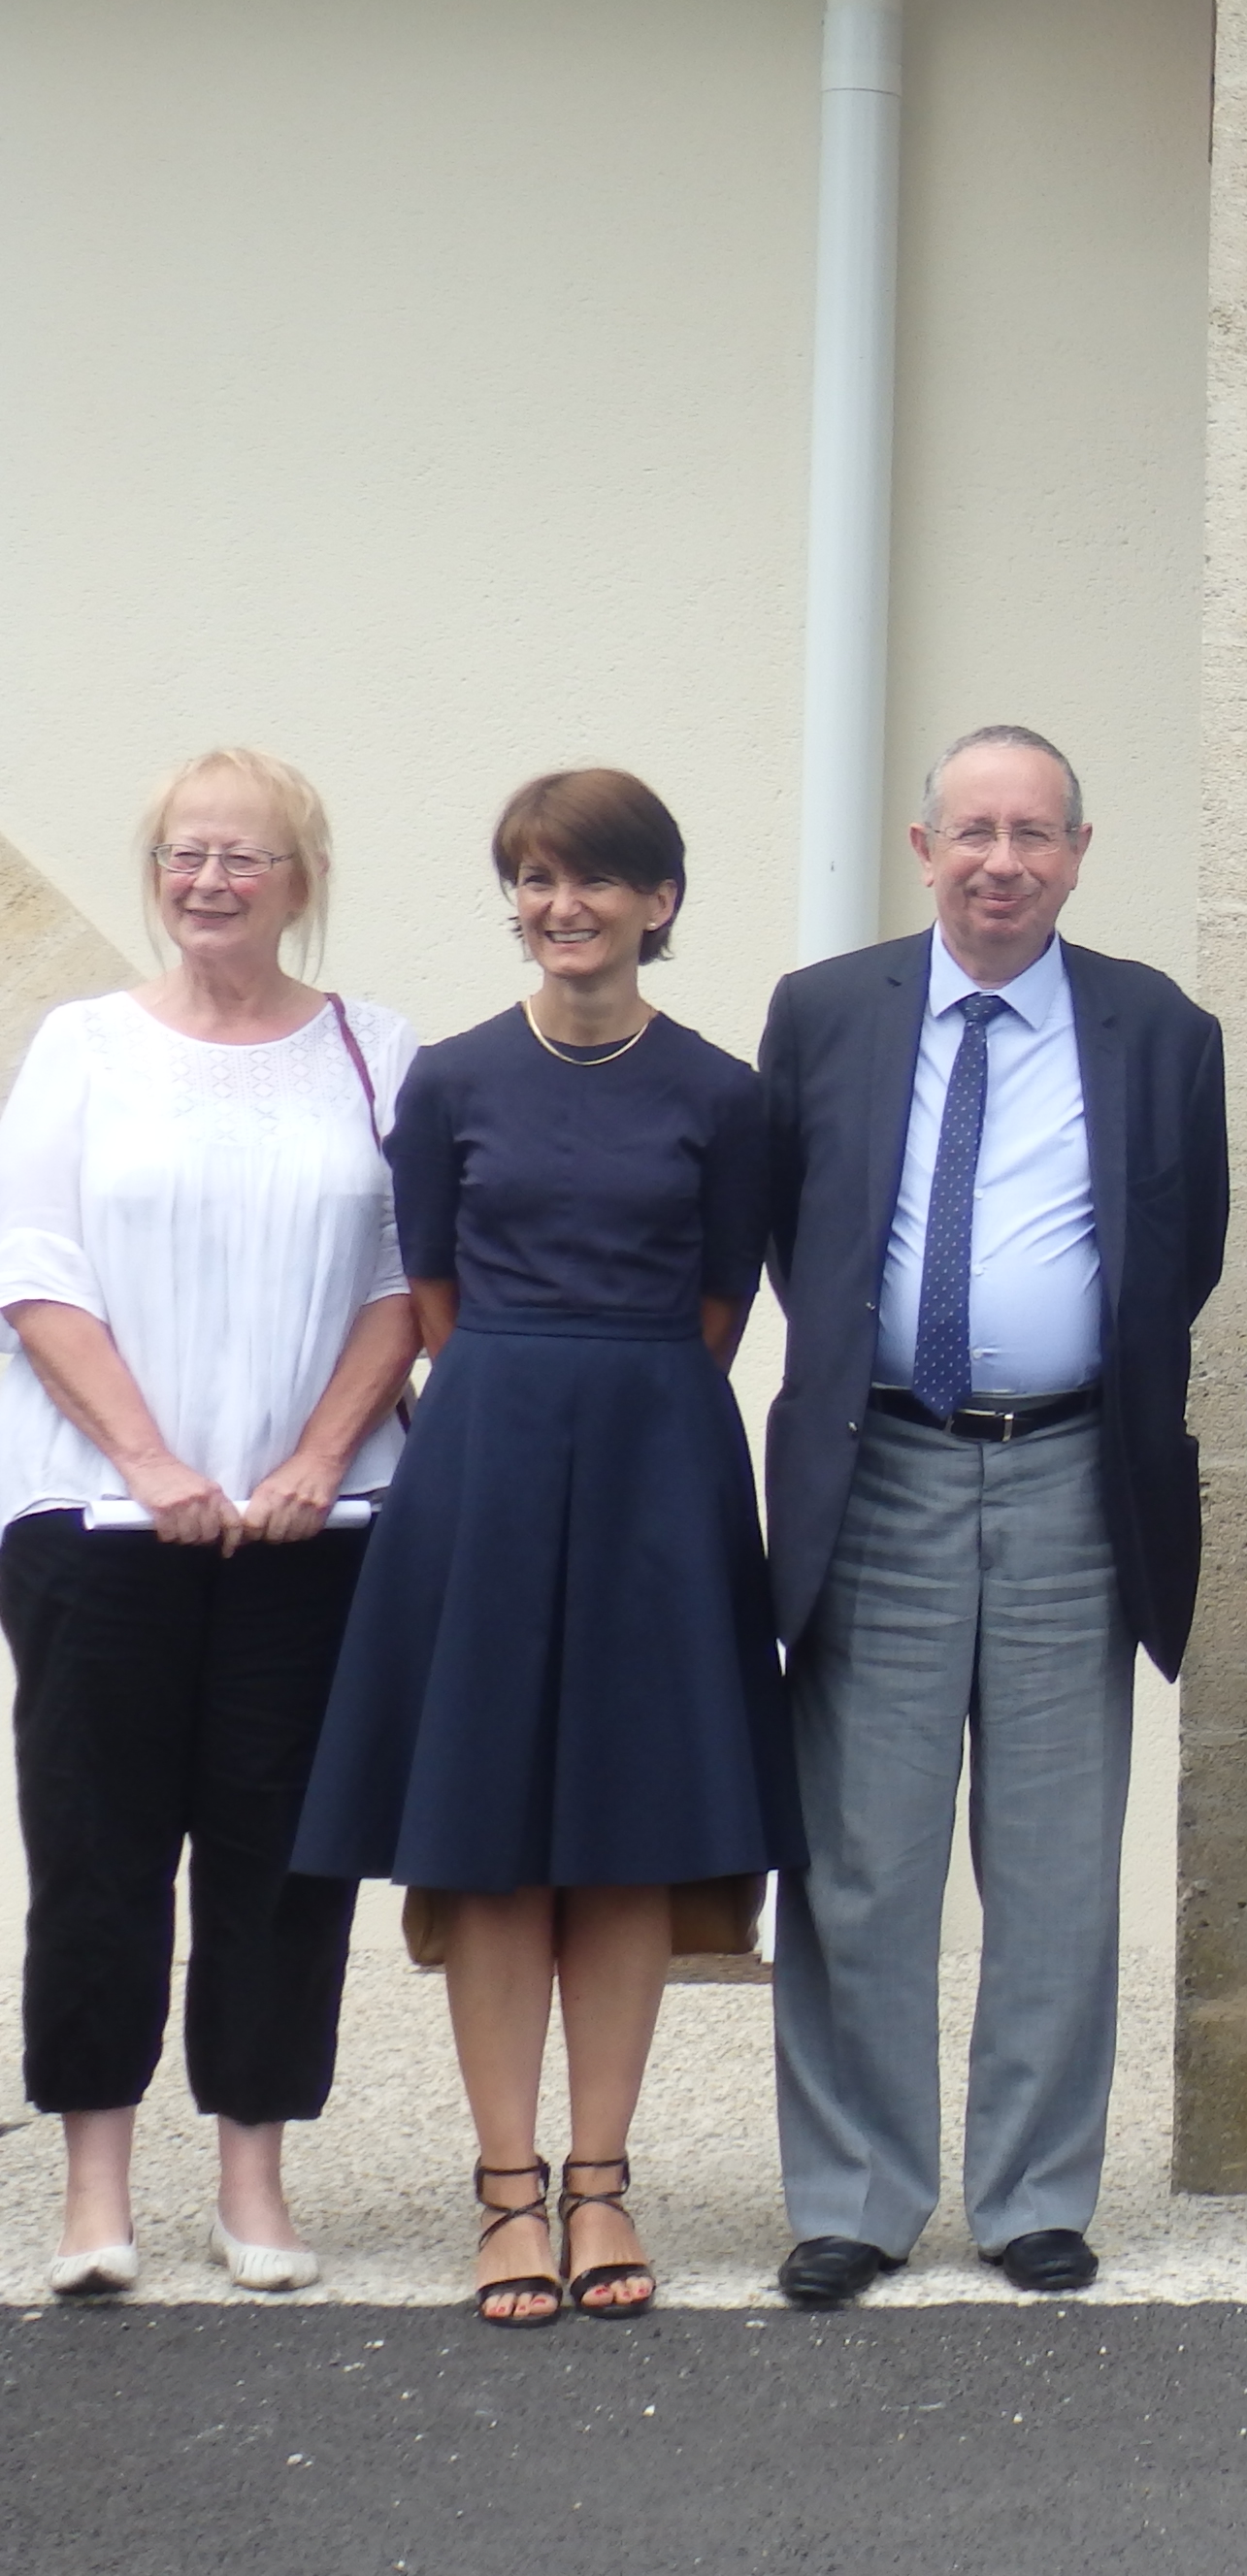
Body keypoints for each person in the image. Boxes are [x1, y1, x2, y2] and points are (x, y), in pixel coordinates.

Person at [296, 767, 795, 2324]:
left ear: (660, 902)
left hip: (659, 1452)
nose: (559, 906)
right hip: (488, 1451)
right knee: (494, 1835)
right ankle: (507, 2191)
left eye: (593, 880)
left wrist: (622, 1387)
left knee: (629, 1831)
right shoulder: (446, 1082)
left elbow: (725, 1303)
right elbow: (431, 1290)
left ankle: (602, 2180)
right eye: (532, 879)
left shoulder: (725, 1094)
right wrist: (523, 1388)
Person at [754, 726, 1230, 2307]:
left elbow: (1186, 1250)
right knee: (859, 1866)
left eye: (1034, 833)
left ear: (1080, 854)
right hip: (877, 1470)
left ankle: (1031, 2194)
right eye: (975, 831)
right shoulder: (825, 1014)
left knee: (1052, 1863)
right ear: (922, 844)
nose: (1002, 860)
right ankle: (858, 2193)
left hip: (1070, 1478)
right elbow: (792, 1238)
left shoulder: (1158, 1027)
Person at [0, 751, 418, 2299]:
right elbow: (36, 1273)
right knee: (98, 1854)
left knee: (277, 1860)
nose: (209, 880)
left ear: (300, 880)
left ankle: (254, 2181)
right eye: (184, 855)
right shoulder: (84, 1045)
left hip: (315, 1529)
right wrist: (152, 1460)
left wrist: (316, 1454)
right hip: (100, 1520)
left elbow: (402, 1284)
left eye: (244, 857)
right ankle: (93, 2193)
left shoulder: (376, 1051)